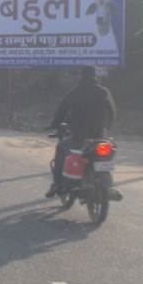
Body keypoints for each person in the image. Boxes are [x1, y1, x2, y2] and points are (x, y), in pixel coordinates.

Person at [46, 66, 116, 197]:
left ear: (81, 76)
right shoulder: (104, 92)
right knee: (107, 153)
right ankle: (108, 185)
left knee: (61, 148)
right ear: (95, 76)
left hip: (79, 136)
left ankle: (57, 184)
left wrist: (54, 124)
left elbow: (62, 110)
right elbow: (112, 112)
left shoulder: (75, 92)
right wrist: (106, 126)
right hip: (99, 136)